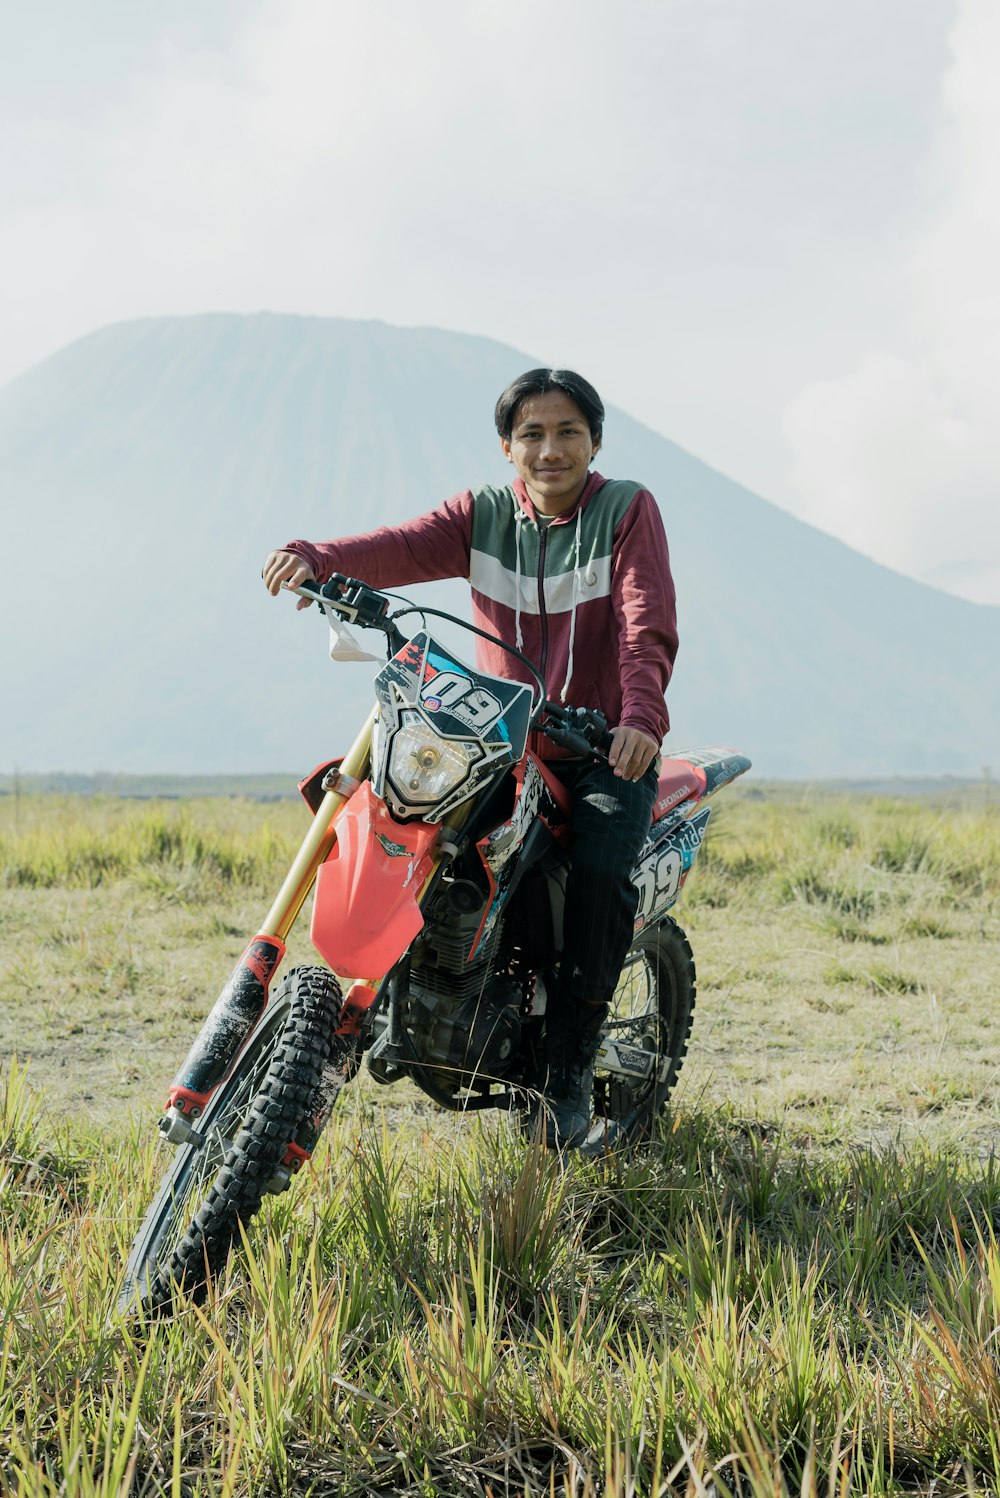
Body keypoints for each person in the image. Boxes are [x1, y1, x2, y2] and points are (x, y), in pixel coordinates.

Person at [263, 368, 678, 1148]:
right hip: (499, 738)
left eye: (566, 433)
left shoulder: (626, 510)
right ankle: (403, 995)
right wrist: (315, 556)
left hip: (602, 747)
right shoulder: (483, 514)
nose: (549, 449)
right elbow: (394, 548)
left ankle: (566, 1072)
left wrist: (640, 720)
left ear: (595, 441)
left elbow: (643, 621)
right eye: (532, 435)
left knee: (597, 877)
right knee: (403, 815)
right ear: (507, 447)